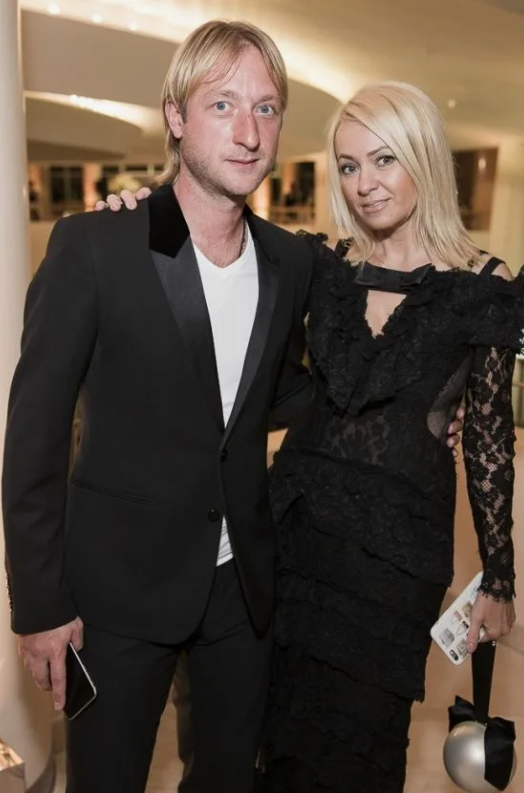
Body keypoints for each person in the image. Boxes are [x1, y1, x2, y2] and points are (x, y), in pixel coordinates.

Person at [2, 20, 318, 793]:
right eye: (223, 105)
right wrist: (39, 605)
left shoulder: (289, 260)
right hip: (115, 594)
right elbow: (34, 437)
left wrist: (416, 407)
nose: (249, 132)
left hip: (240, 592)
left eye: (267, 108)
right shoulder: (95, 246)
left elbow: (274, 395)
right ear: (176, 115)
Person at [259, 82, 522, 793]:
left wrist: (499, 578)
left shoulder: (482, 284)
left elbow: (488, 441)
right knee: (279, 742)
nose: (364, 183)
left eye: (383, 159)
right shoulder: (324, 265)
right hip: (296, 538)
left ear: (423, 156)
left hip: (395, 561)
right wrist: (139, 208)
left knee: (362, 748)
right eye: (348, 166)